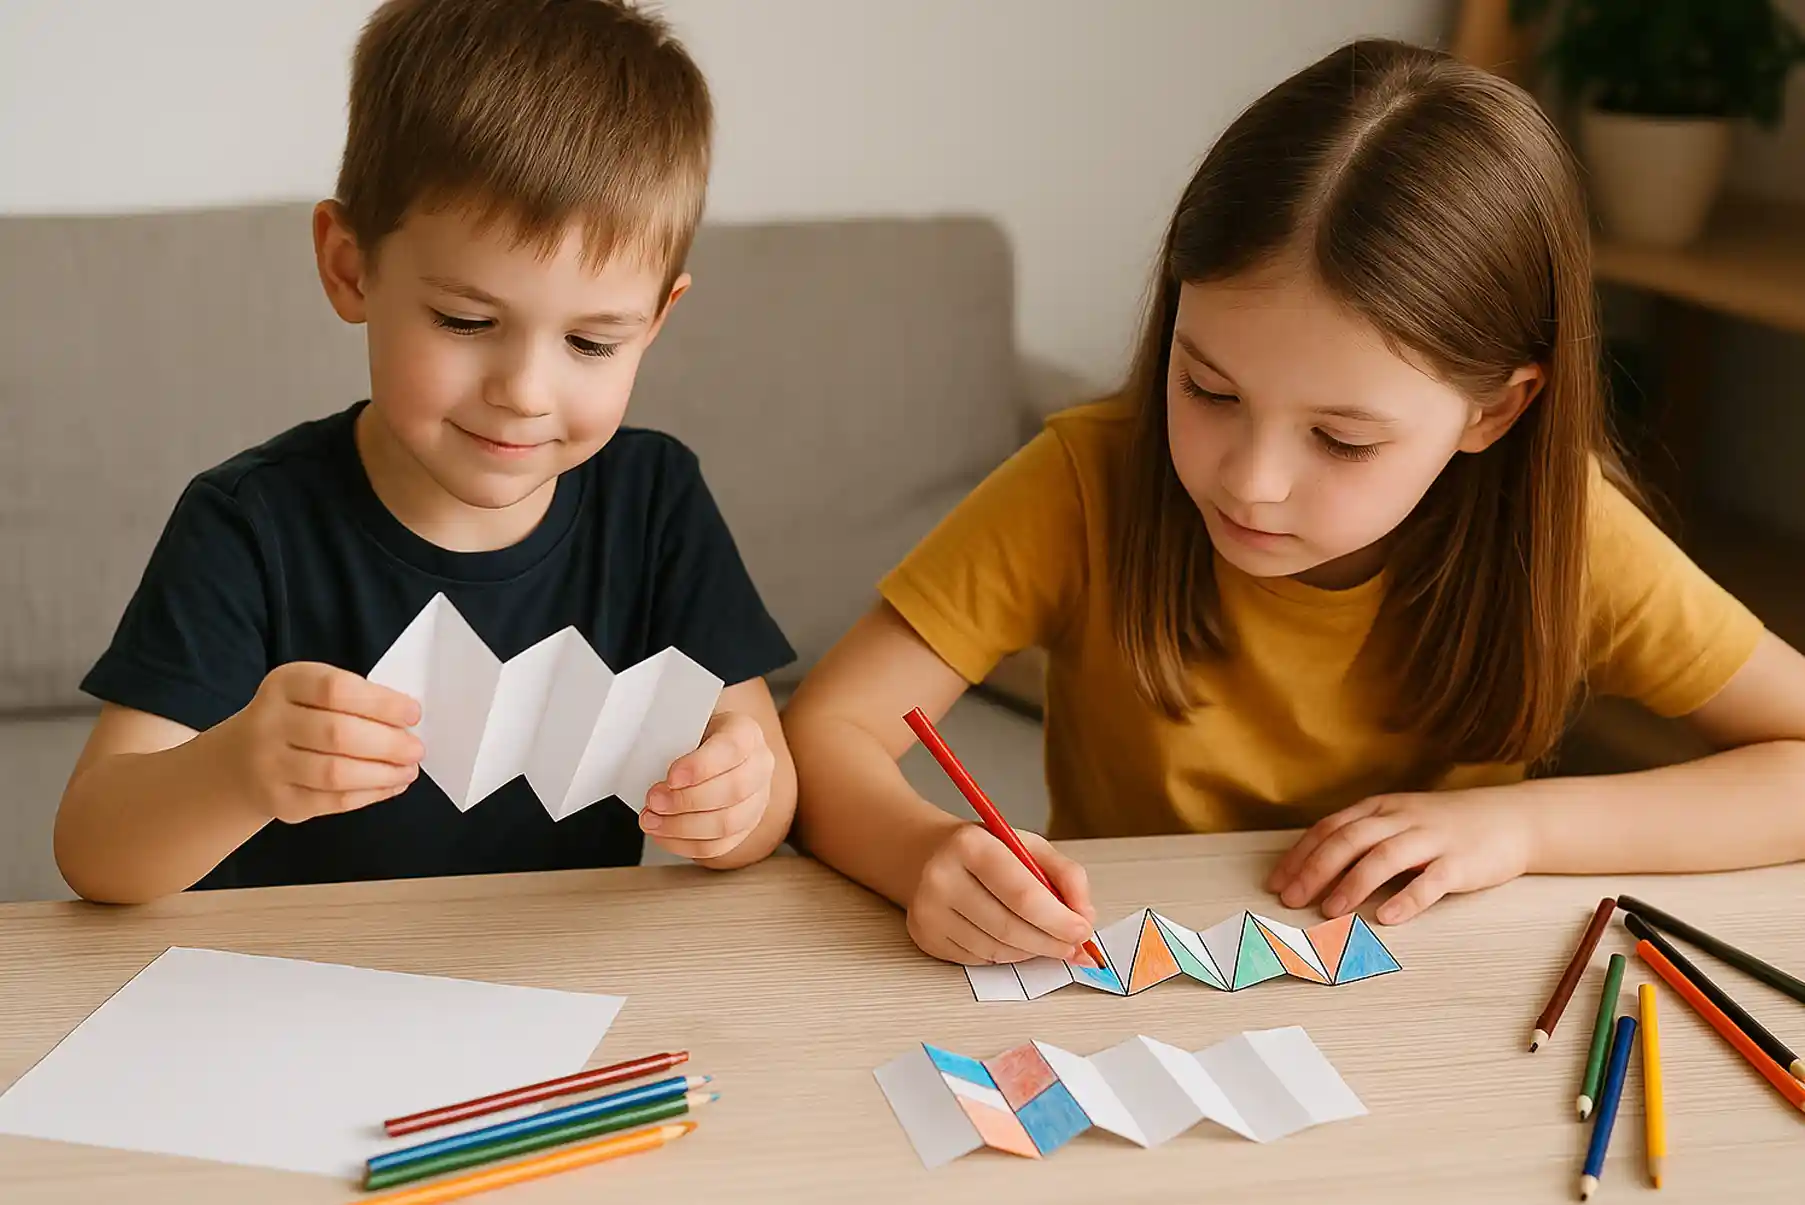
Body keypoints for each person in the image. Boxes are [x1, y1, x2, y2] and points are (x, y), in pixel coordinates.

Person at [783, 39, 1805, 968]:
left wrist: (1524, 828)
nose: (1249, 479)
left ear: (1493, 411)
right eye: (1209, 390)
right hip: (1131, 990)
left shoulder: (1560, 532)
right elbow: (829, 727)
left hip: (1434, 998)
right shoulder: (1086, 482)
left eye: (1341, 438)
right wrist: (924, 854)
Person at [55, 0, 796, 903]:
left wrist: (734, 804)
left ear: (658, 322)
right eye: (466, 321)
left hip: (550, 990)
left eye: (593, 344)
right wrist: (233, 772)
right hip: (286, 990)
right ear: (350, 267)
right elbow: (95, 850)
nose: (523, 390)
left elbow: (764, 795)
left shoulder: (656, 499)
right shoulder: (250, 523)